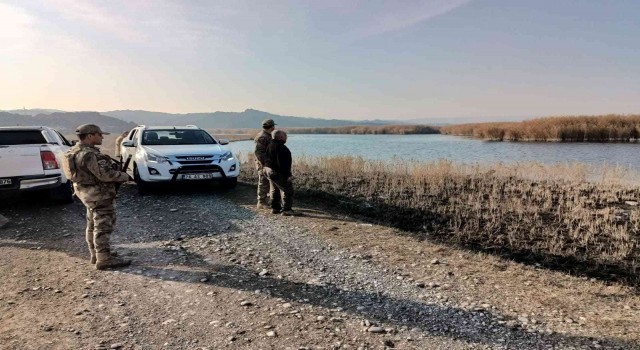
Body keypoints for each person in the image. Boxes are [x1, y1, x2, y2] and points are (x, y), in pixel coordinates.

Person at [64, 124, 133, 270]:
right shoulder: (90, 154)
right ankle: (104, 259)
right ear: (90, 136)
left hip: (86, 194)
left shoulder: (73, 151)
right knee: (103, 227)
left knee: (92, 225)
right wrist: (124, 176)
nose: (102, 137)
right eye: (99, 134)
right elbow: (106, 175)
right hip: (99, 195)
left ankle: (96, 255)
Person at [264, 130, 296, 216]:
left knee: (275, 189)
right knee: (288, 190)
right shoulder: (282, 148)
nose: (286, 138)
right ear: (281, 137)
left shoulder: (269, 145)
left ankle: (275, 208)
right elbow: (283, 164)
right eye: (285, 136)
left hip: (268, 170)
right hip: (276, 172)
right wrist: (288, 175)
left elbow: (266, 159)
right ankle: (286, 210)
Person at [254, 119, 276, 209]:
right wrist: (265, 164)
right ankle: (261, 202)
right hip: (263, 163)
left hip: (267, 162)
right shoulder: (262, 137)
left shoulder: (267, 135)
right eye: (273, 126)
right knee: (263, 182)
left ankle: (268, 200)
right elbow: (258, 152)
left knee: (268, 182)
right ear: (272, 127)